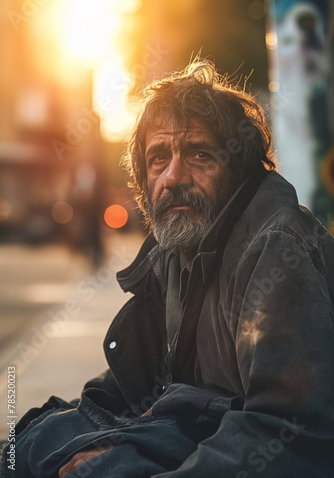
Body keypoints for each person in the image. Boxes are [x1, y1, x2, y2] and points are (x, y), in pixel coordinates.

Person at [2, 61, 334, 477]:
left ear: (239, 168)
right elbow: (138, 381)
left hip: (241, 449)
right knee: (28, 444)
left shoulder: (274, 249)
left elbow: (292, 432)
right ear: (142, 178)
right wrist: (93, 432)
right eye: (159, 158)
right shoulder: (179, 248)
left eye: (199, 154)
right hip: (195, 430)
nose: (174, 177)